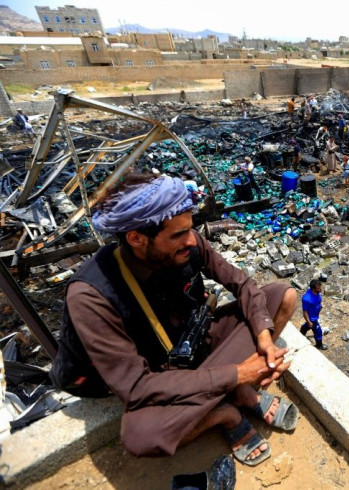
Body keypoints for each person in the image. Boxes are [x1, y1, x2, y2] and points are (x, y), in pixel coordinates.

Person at [49, 173, 299, 466]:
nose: (191, 240)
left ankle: (235, 391)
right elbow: (137, 386)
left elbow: (242, 285)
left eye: (190, 230)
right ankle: (223, 412)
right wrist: (238, 374)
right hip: (156, 373)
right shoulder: (90, 296)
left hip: (192, 343)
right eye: (178, 235)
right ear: (136, 239)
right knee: (142, 436)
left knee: (283, 297)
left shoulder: (188, 242)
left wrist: (263, 337)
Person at [300, 279, 327, 350]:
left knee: (306, 326)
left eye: (320, 287)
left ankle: (301, 333)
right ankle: (319, 345)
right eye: (318, 288)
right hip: (312, 318)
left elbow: (318, 300)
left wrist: (320, 305)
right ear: (313, 288)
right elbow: (305, 312)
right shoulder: (307, 298)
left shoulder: (317, 292)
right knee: (318, 331)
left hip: (315, 314)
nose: (320, 289)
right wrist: (309, 322)